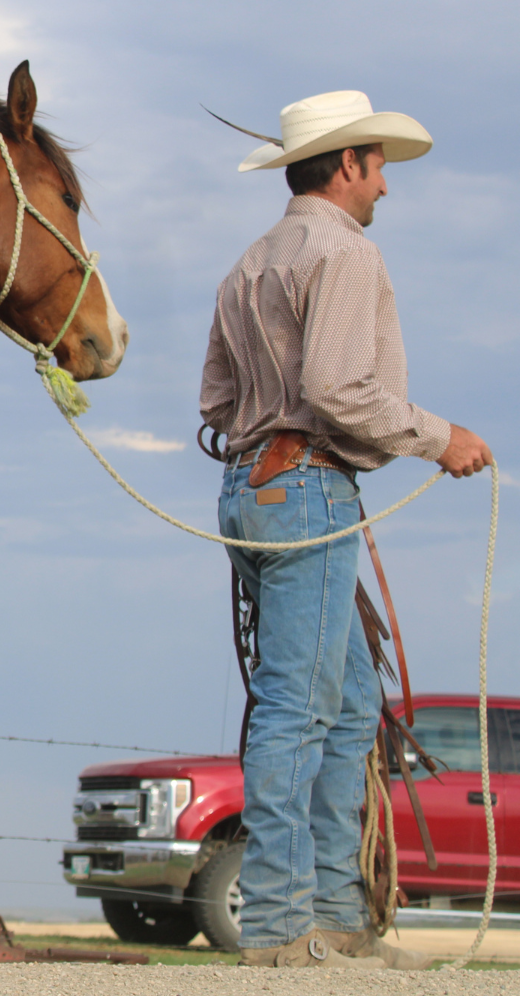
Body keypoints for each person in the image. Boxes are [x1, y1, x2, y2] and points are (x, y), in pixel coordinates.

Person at [200, 90, 494, 970]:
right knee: (301, 707)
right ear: (345, 166)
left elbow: (216, 401)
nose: (385, 188)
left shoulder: (251, 262)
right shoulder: (346, 252)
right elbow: (337, 392)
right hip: (312, 488)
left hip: (250, 489)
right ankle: (287, 926)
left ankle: (334, 915)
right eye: (378, 168)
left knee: (350, 704)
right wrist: (443, 440)